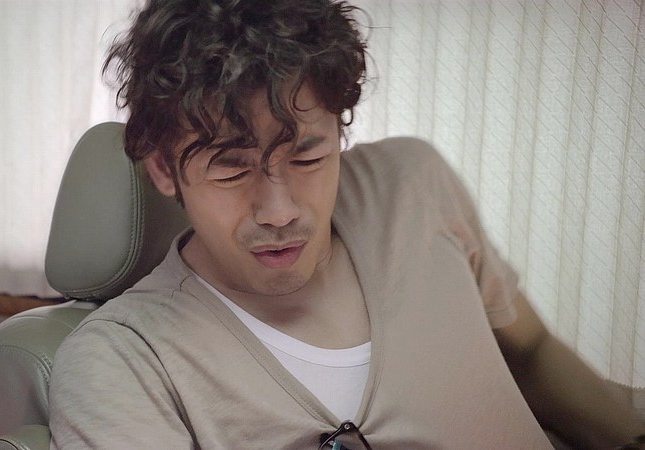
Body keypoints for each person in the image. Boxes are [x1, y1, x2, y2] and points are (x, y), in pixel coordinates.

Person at [49, 0, 645, 448]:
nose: (280, 212)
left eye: (308, 157)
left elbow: (530, 350)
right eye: (231, 168)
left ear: (340, 128)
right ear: (162, 167)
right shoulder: (122, 361)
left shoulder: (411, 186)